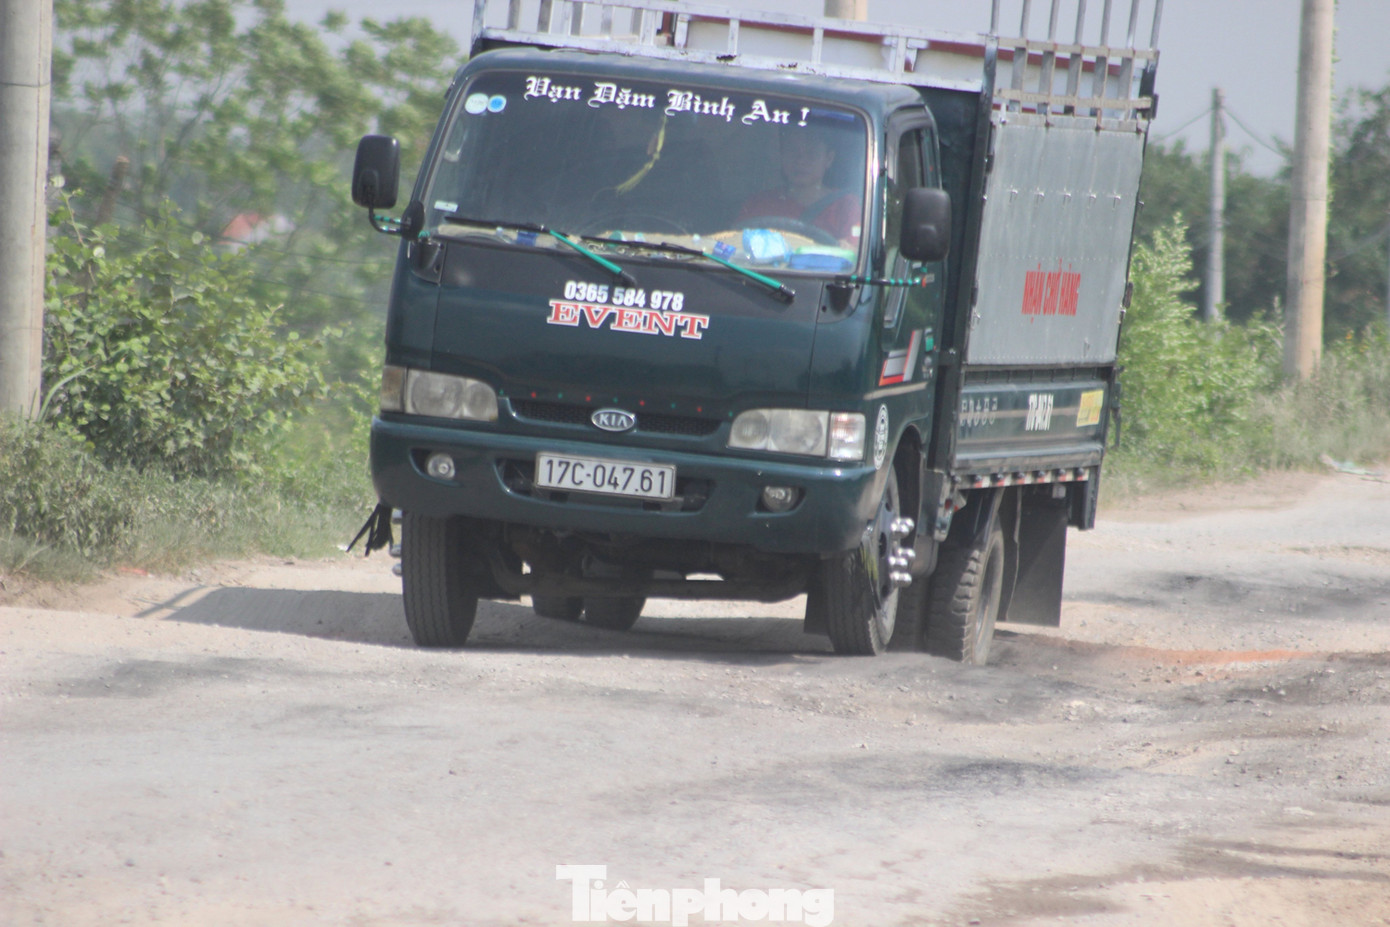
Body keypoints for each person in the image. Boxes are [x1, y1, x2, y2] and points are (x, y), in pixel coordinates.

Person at [738, 128, 861, 246]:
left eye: (811, 153)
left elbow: (854, 253)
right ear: (781, 155)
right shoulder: (760, 204)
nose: (801, 160)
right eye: (793, 151)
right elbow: (734, 245)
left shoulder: (847, 206)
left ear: (828, 159)